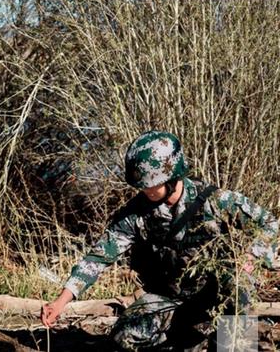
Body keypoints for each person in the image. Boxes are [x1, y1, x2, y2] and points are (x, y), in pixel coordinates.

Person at [40, 130, 278, 351]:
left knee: (238, 284)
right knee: (125, 335)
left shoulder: (215, 201)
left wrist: (251, 256)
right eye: (142, 185)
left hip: (215, 297)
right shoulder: (136, 213)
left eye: (151, 185)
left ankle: (232, 345)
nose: (146, 191)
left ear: (173, 175)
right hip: (171, 299)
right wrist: (61, 302)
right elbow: (98, 257)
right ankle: (187, 338)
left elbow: (270, 224)